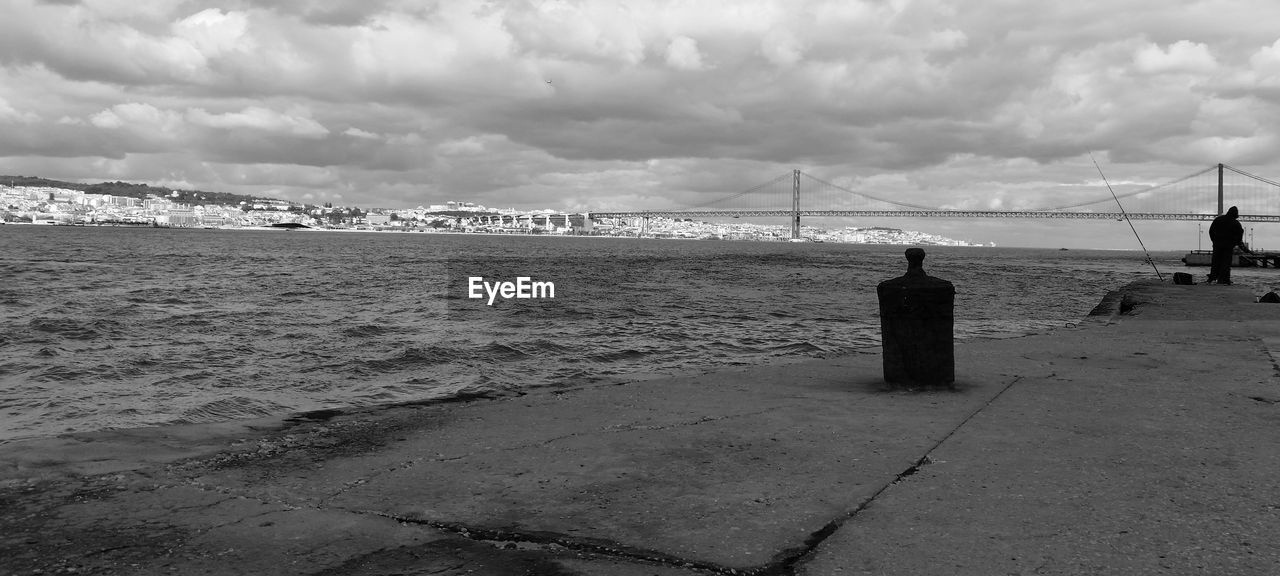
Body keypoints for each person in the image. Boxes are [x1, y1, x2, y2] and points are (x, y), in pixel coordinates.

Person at [1207, 206, 1252, 285]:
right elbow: (1239, 237)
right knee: (1226, 263)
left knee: (1215, 261)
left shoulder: (1218, 219)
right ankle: (1224, 280)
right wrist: (1243, 248)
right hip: (1228, 246)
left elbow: (1211, 231)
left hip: (1217, 245)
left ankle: (1212, 278)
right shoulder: (1236, 223)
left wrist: (1214, 241)